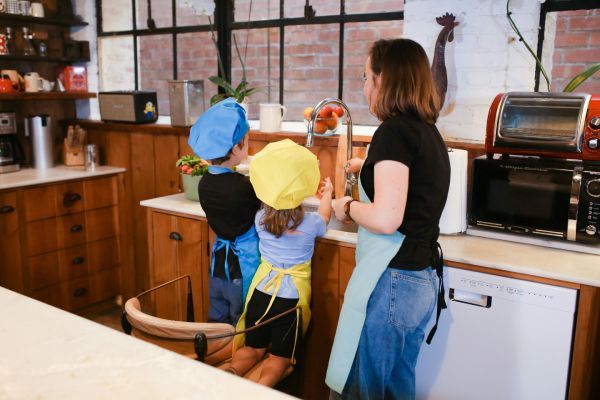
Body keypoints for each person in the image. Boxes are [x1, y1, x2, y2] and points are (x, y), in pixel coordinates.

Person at [326, 38, 451, 399]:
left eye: (366, 76)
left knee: (359, 391)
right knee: (396, 390)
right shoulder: (428, 133)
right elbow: (413, 187)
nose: (364, 87)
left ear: (384, 79)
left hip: (392, 282)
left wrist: (345, 206)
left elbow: (386, 218)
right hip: (420, 282)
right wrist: (367, 166)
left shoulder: (393, 132)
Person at [228, 139, 333, 387]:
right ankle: (262, 391)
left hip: (262, 292)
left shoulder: (260, 218)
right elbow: (326, 216)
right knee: (280, 358)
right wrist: (327, 194)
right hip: (290, 299)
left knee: (252, 349)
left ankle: (229, 377)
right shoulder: (310, 223)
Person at [188, 97, 261, 325]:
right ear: (235, 148)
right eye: (246, 142)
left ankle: (211, 357)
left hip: (218, 264)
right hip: (242, 266)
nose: (247, 147)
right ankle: (236, 359)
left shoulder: (204, 184)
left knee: (218, 318)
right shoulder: (243, 186)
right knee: (241, 321)